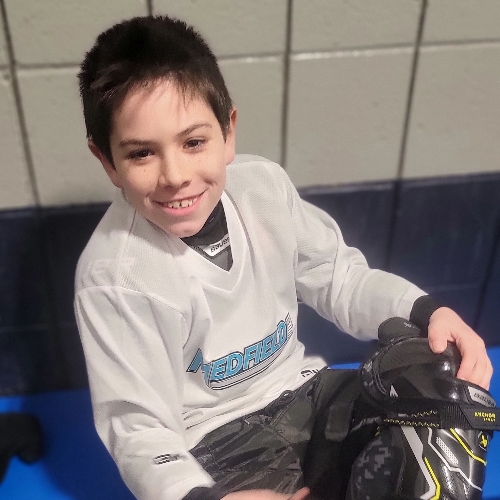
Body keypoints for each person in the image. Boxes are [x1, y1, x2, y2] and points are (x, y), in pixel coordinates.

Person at [74, 15, 493, 500]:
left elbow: (340, 279)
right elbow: (138, 429)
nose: (175, 175)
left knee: (440, 383)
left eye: (193, 142)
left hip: (306, 397)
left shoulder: (263, 189)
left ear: (228, 132)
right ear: (107, 161)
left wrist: (428, 312)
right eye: (141, 154)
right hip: (215, 443)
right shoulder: (114, 276)